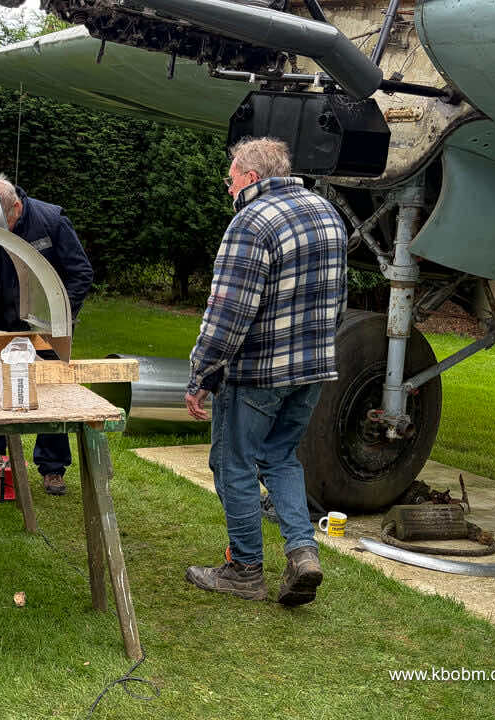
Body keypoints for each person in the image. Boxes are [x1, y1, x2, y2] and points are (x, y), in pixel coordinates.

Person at [183, 137, 347, 607]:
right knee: (279, 458)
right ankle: (302, 552)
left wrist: (202, 375)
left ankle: (244, 570)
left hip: (257, 374)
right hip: (312, 370)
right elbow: (338, 299)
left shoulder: (251, 222)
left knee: (232, 463)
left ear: (251, 178)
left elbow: (228, 313)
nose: (228, 186)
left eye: (230, 177)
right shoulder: (325, 212)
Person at [0, 174, 93, 496]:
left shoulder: (50, 221)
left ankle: (52, 468)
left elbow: (81, 272)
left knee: (50, 394)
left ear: (17, 208)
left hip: (46, 328)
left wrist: (58, 317)